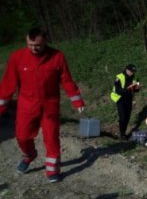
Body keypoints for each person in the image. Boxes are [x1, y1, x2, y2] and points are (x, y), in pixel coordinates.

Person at [0, 27, 86, 183]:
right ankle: (29, 155)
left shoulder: (57, 57)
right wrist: (2, 105)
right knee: (22, 136)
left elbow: (66, 80)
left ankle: (52, 170)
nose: (34, 48)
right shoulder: (17, 57)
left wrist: (77, 100)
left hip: (50, 106)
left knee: (51, 138)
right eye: (30, 44)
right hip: (27, 105)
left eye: (38, 45)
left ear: (45, 41)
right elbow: (8, 83)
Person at [110, 64, 140, 140]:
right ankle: (122, 134)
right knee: (123, 117)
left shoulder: (134, 77)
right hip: (120, 99)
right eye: (131, 71)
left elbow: (135, 89)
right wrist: (127, 90)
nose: (132, 73)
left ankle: (123, 132)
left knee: (127, 117)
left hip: (129, 99)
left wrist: (137, 88)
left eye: (133, 72)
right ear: (126, 70)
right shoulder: (119, 77)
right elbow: (117, 90)